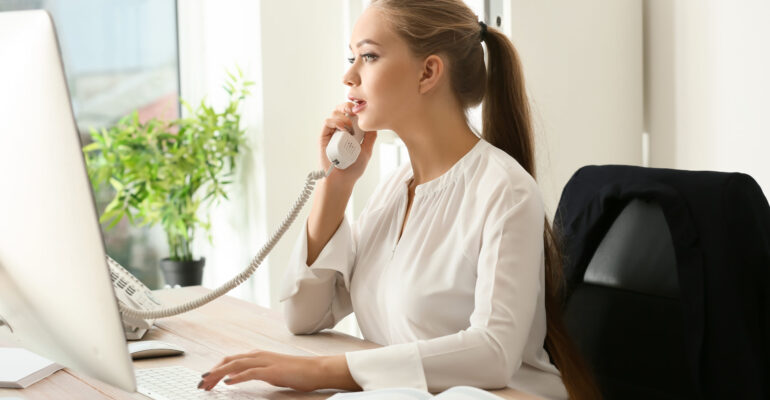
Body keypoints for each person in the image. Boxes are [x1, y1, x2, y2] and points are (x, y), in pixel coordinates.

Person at [198, 1, 600, 398]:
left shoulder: (504, 190)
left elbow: (493, 354)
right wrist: (336, 186)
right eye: (352, 57)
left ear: (428, 72)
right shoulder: (394, 191)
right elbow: (304, 316)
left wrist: (326, 371)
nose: (348, 75)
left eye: (368, 56)